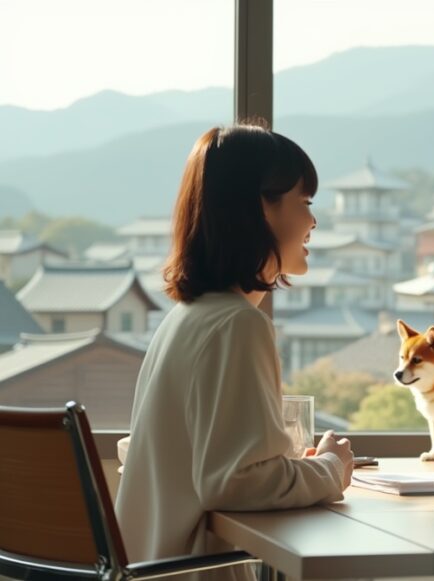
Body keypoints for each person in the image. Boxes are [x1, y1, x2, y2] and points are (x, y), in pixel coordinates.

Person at [115, 123, 354, 581]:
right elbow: (235, 482)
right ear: (261, 209)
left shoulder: (186, 317)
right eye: (304, 203)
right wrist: (331, 468)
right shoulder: (238, 324)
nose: (313, 221)